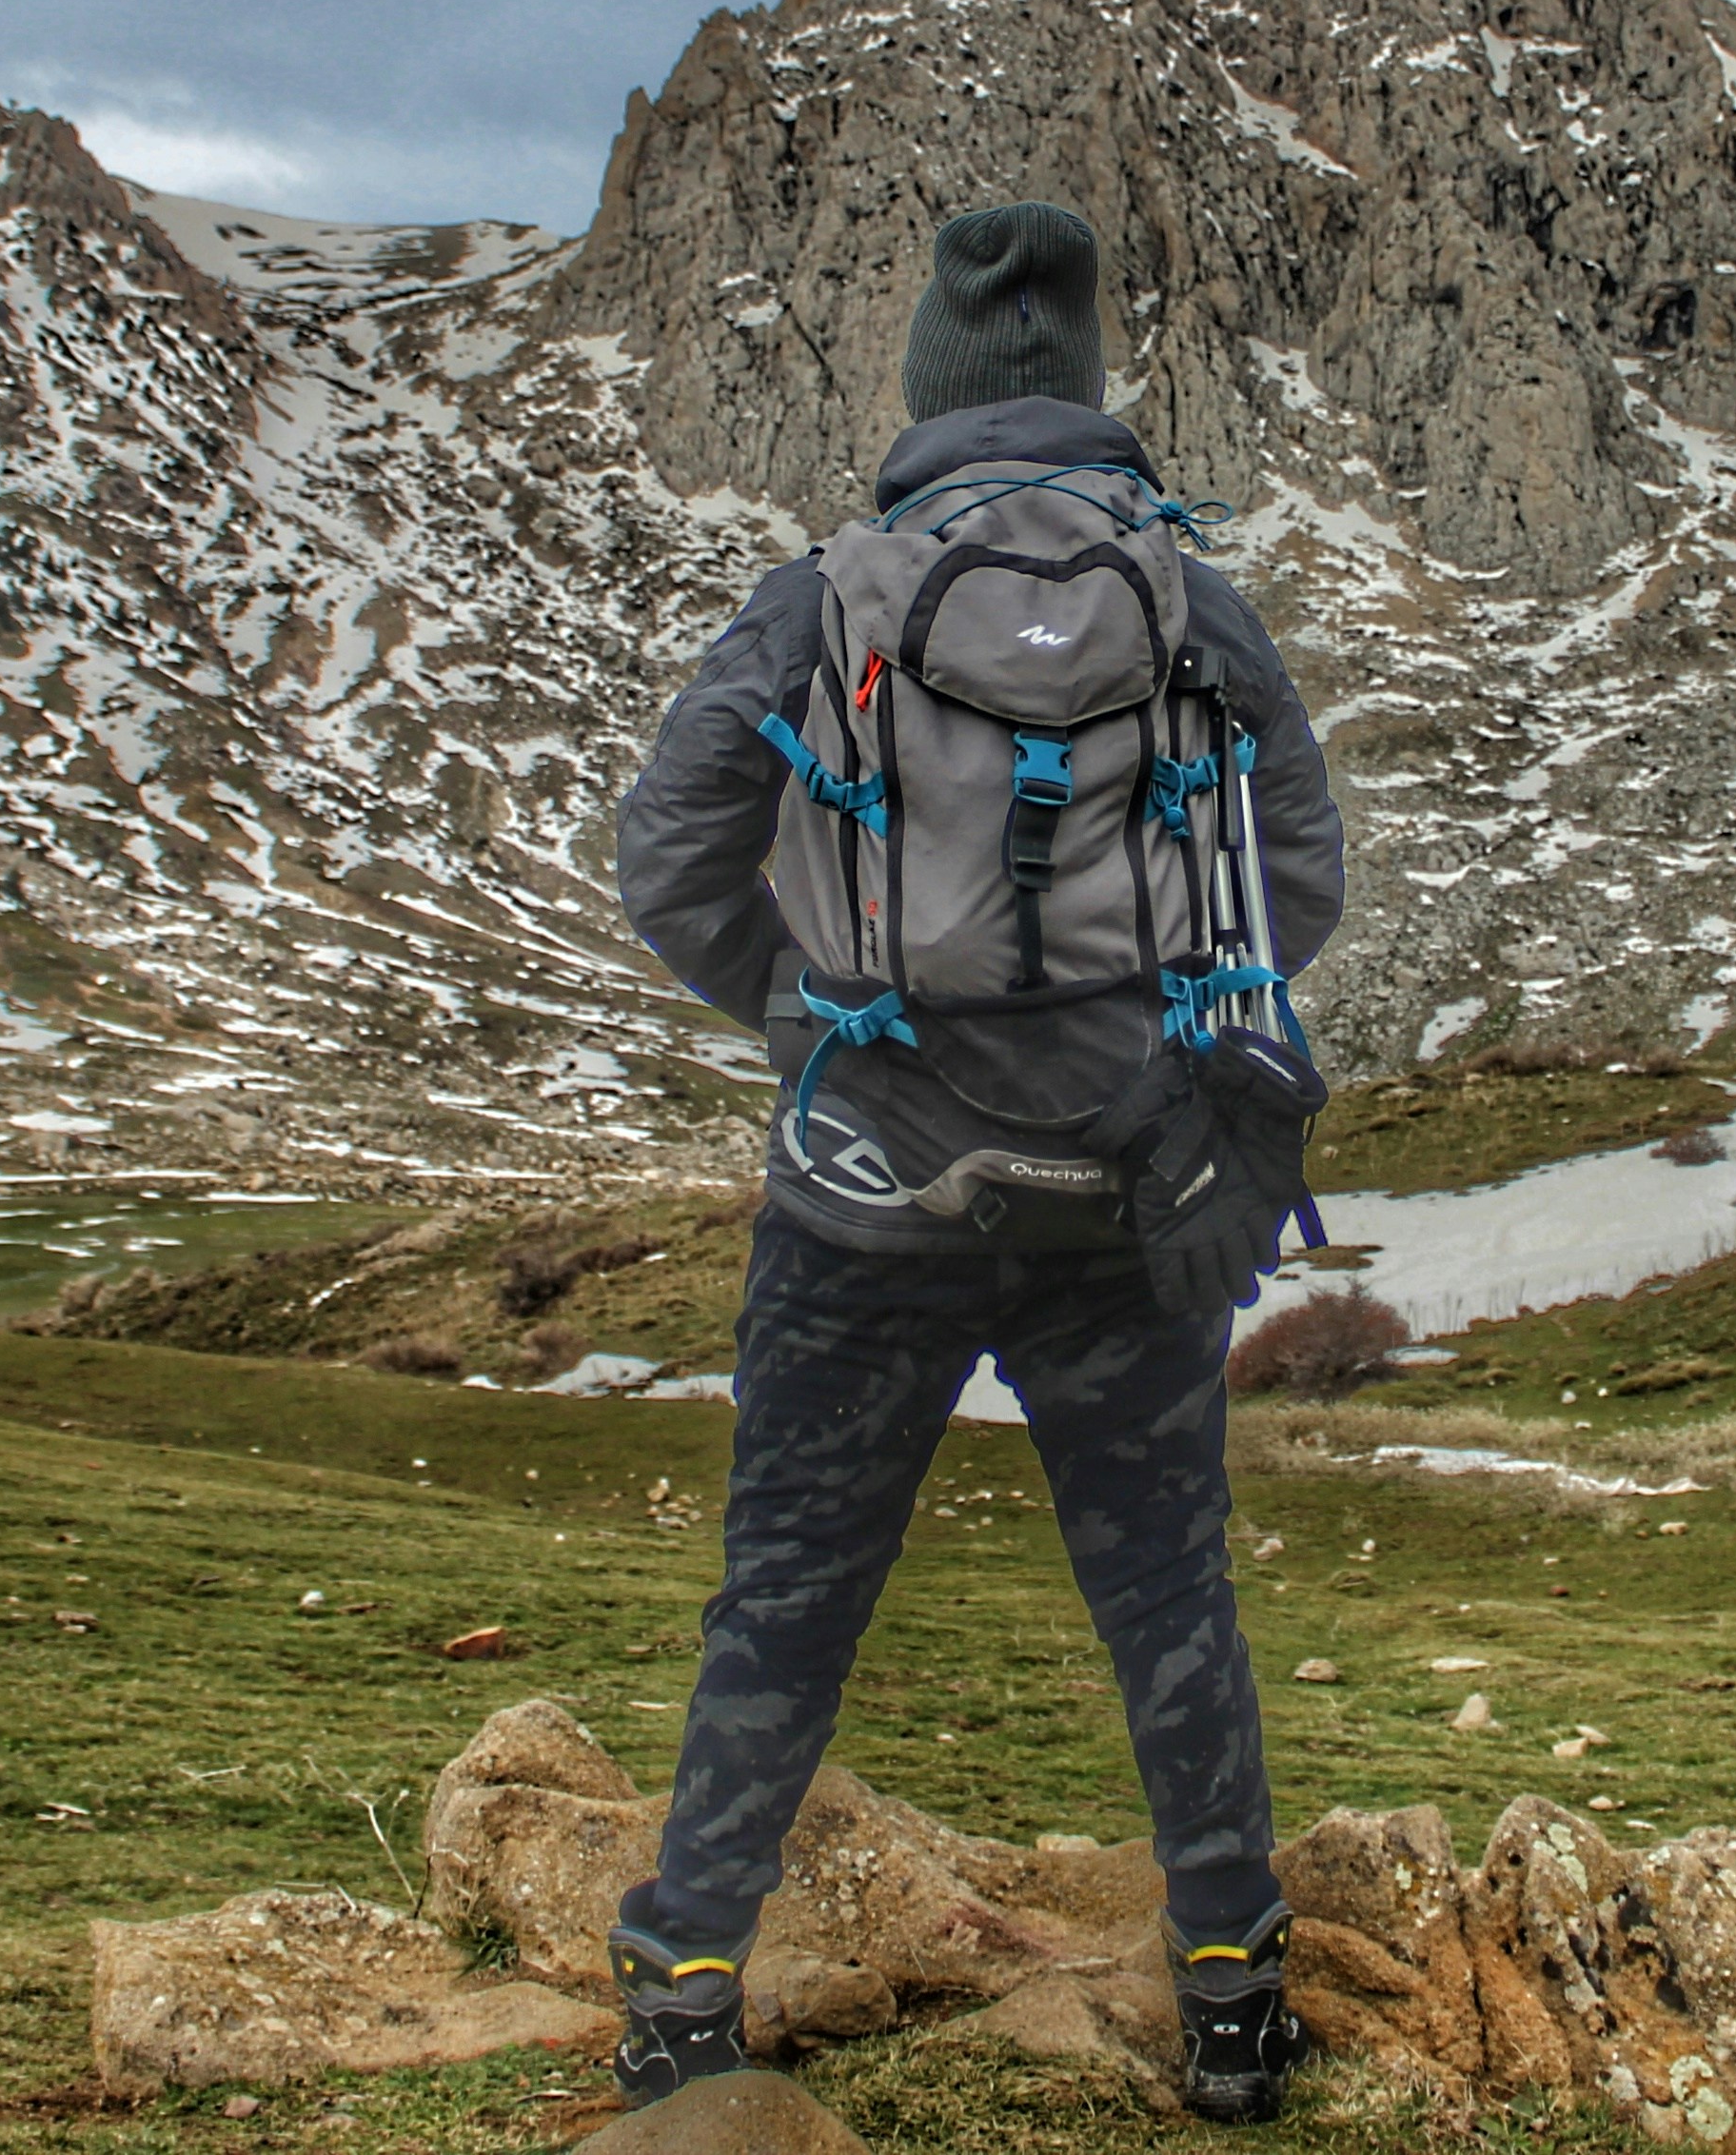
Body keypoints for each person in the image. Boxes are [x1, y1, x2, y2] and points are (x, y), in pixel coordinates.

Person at [608, 199, 1345, 2123]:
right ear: (1087, 388)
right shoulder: (1193, 603)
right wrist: (1147, 1040)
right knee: (1168, 1589)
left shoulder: (823, 593)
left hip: (864, 1192)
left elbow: (665, 854)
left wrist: (810, 1007)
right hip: (1129, 1198)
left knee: (783, 1590)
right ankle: (1232, 1997)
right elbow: (1303, 885)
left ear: (930, 392)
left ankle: (683, 1986)